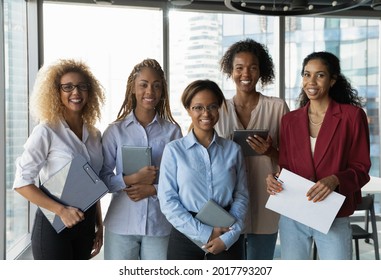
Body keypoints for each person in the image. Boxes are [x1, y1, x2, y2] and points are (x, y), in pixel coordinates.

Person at [266, 51, 371, 260]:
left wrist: (335, 180)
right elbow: (286, 167)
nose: (311, 81)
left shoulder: (352, 116)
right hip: (293, 214)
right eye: (306, 74)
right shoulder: (289, 120)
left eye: (320, 75)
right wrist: (274, 179)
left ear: (332, 80)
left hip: (333, 213)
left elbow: (362, 168)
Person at [13, 58, 106, 260]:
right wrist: (62, 210)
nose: (76, 92)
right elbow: (21, 183)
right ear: (57, 92)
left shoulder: (95, 135)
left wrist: (99, 225)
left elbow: (94, 183)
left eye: (82, 86)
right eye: (68, 87)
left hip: (86, 225)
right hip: (54, 225)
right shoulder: (46, 131)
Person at [100, 58, 182, 260]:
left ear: (162, 91)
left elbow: (181, 180)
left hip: (160, 224)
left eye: (156, 86)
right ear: (133, 89)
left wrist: (153, 189)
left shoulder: (173, 132)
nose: (150, 92)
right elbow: (102, 180)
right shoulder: (115, 131)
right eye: (143, 85)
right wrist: (132, 179)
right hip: (121, 224)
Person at [215, 38, 290, 260]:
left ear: (261, 72)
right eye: (239, 68)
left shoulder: (277, 107)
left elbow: (294, 159)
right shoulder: (217, 109)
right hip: (227, 201)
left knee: (260, 263)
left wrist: (271, 151)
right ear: (231, 71)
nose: (245, 73)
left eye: (253, 67)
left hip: (267, 199)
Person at [158, 79, 249, 260]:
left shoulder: (233, 150)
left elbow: (242, 196)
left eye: (212, 106)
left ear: (220, 108)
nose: (206, 113)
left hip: (227, 232)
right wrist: (206, 233)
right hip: (185, 235)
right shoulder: (174, 150)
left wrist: (228, 236)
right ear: (188, 110)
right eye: (198, 107)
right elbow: (168, 201)